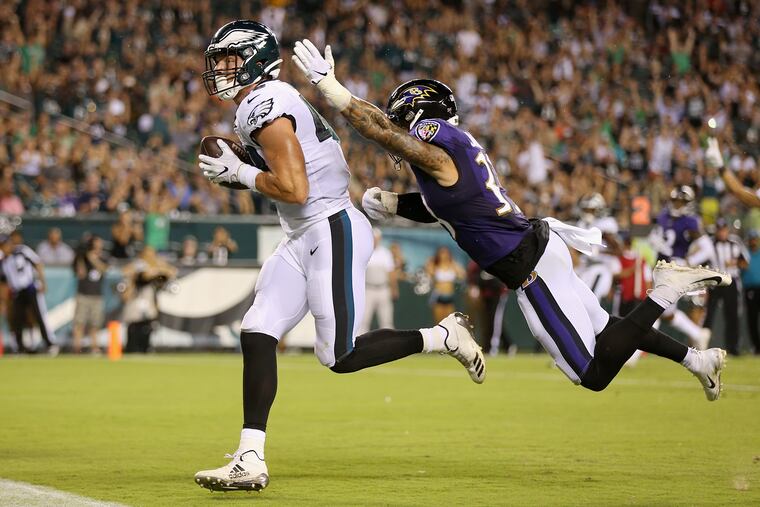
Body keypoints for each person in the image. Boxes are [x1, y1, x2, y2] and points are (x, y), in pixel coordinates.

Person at [293, 40, 730, 405]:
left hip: (531, 269)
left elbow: (386, 133)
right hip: (542, 248)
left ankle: (665, 290)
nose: (398, 131)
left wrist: (336, 93)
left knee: (592, 373)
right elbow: (452, 209)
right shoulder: (455, 151)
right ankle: (696, 360)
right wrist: (395, 204)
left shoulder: (436, 142)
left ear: (417, 118)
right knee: (608, 328)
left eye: (402, 121)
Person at [193, 21, 485, 493]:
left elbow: (294, 187)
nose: (220, 70)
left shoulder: (262, 103)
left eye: (227, 58)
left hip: (330, 227)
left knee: (340, 355)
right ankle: (250, 457)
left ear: (251, 58)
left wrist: (241, 174)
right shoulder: (270, 100)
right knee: (257, 329)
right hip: (303, 233)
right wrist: (243, 170)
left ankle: (441, 336)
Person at [647, 186, 714, 349]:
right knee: (668, 314)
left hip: (675, 267)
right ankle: (698, 334)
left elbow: (708, 249)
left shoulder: (690, 221)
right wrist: (654, 240)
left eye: (681, 201)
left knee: (654, 307)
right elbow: (655, 237)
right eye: (675, 201)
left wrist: (689, 261)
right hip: (662, 266)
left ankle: (633, 353)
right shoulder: (663, 216)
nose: (677, 204)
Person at [0, 234, 58, 354]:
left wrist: (43, 282)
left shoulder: (22, 250)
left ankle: (50, 343)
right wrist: (4, 301)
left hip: (30, 288)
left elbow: (38, 263)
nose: (4, 248)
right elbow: (4, 282)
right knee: (17, 319)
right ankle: (20, 347)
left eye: (5, 245)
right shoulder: (3, 261)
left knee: (39, 316)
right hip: (17, 292)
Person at [703, 219, 748, 356]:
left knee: (732, 315)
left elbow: (745, 263)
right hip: (714, 282)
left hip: (730, 281)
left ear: (727, 230)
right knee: (709, 314)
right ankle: (703, 346)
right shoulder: (710, 244)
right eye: (719, 230)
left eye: (723, 229)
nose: (721, 232)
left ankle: (733, 347)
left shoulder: (735, 242)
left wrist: (734, 262)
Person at [120, 246, 176, 353]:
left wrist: (157, 268)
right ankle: (132, 349)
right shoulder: (138, 264)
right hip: (136, 298)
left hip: (148, 299)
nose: (150, 256)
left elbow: (172, 271)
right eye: (148, 254)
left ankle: (146, 348)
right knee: (134, 325)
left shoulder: (156, 265)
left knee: (147, 326)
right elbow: (126, 272)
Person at [574, 193, 621, 301]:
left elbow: (619, 250)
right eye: (585, 209)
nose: (587, 213)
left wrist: (599, 252)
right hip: (585, 265)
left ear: (599, 209)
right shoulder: (582, 224)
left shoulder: (605, 224)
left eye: (591, 210)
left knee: (590, 297)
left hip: (602, 265)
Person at [467, 260, 513, 356]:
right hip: (486, 295)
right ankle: (507, 345)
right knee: (490, 321)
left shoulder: (497, 257)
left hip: (498, 293)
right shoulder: (477, 261)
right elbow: (473, 274)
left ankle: (493, 348)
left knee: (495, 320)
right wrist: (474, 286)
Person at [72, 235, 108, 354]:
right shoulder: (83, 258)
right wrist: (82, 256)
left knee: (95, 324)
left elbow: (103, 269)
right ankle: (77, 347)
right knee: (79, 322)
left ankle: (94, 347)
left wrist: (92, 257)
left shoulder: (103, 257)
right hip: (83, 294)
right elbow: (80, 273)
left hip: (97, 295)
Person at [358, 228, 397, 333]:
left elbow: (391, 273)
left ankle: (388, 345)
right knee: (363, 320)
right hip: (368, 289)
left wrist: (394, 289)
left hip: (383, 289)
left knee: (386, 320)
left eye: (377, 238)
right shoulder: (363, 252)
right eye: (373, 238)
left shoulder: (386, 253)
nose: (375, 241)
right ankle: (360, 345)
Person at [425, 246, 465, 322]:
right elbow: (428, 271)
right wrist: (431, 260)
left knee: (449, 321)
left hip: (449, 296)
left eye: (446, 253)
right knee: (439, 322)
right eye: (442, 253)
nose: (444, 255)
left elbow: (462, 274)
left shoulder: (453, 265)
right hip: (438, 296)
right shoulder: (435, 266)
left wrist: (453, 262)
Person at [742, 230, 760, 355]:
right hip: (750, 289)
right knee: (752, 319)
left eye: (755, 239)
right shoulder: (744, 254)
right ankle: (757, 347)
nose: (753, 241)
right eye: (752, 239)